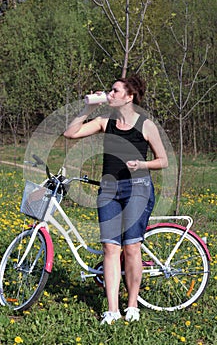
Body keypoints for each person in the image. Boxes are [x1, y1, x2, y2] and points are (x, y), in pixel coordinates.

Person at [63, 75, 168, 325]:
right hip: (109, 191)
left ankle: (132, 305)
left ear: (129, 96)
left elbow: (163, 160)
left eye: (115, 90)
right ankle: (112, 310)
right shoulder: (103, 122)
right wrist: (88, 107)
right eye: (110, 90)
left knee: (131, 248)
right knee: (111, 248)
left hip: (138, 189)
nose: (110, 94)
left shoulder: (145, 125)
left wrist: (142, 164)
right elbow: (70, 133)